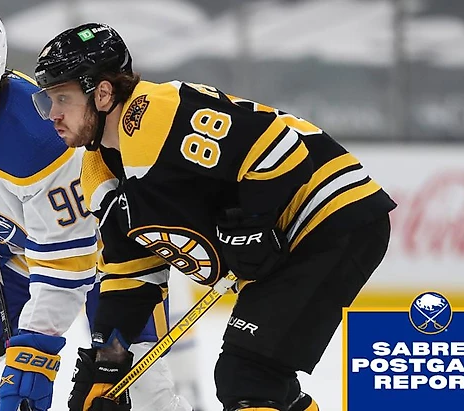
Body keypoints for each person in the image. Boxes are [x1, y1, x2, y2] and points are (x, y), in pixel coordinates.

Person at [31, 23, 397, 411]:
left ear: (103, 93)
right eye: (48, 100)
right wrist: (108, 365)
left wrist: (251, 226)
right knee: (258, 382)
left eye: (62, 98)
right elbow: (130, 275)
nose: (52, 114)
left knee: (249, 377)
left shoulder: (155, 112)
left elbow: (282, 148)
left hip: (331, 214)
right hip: (299, 238)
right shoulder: (98, 173)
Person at [0, 5, 191, 411]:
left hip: (108, 263)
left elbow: (67, 266)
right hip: (24, 257)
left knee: (146, 393)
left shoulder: (40, 140)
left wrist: (35, 354)